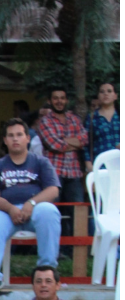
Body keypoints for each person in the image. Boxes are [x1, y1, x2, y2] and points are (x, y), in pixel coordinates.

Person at [0, 118, 61, 294]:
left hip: (36, 210)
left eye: (19, 135)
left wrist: (31, 203)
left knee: (49, 211)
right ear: (5, 140)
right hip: (6, 213)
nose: (15, 139)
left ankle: (47, 270)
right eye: (11, 136)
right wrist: (10, 208)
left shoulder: (41, 162)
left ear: (27, 138)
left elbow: (53, 190)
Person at [36, 86, 88, 234]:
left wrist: (64, 141)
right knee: (53, 210)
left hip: (74, 173)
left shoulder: (75, 119)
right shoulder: (45, 121)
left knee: (76, 211)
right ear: (50, 101)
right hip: (53, 173)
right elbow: (54, 144)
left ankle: (75, 249)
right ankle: (56, 248)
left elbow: (84, 140)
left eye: (62, 98)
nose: (59, 101)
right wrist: (73, 143)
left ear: (67, 100)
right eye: (56, 98)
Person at [84, 81, 119, 171]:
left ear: (115, 96)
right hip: (101, 166)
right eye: (102, 92)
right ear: (98, 96)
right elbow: (85, 143)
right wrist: (89, 165)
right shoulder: (92, 118)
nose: (105, 94)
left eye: (109, 91)